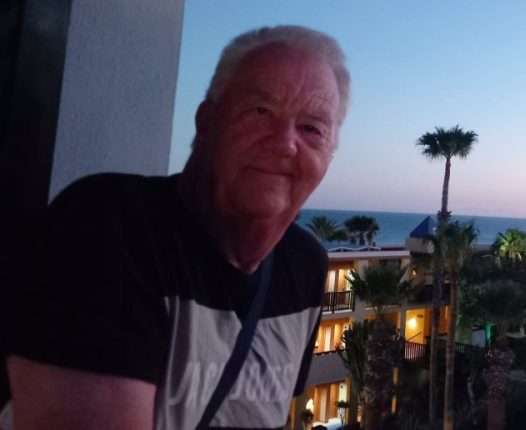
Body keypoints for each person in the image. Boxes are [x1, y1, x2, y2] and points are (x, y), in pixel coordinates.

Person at [3, 25, 350, 430]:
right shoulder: (107, 227)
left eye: (312, 127)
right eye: (260, 111)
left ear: (330, 154)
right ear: (207, 122)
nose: (285, 142)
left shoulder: (303, 266)